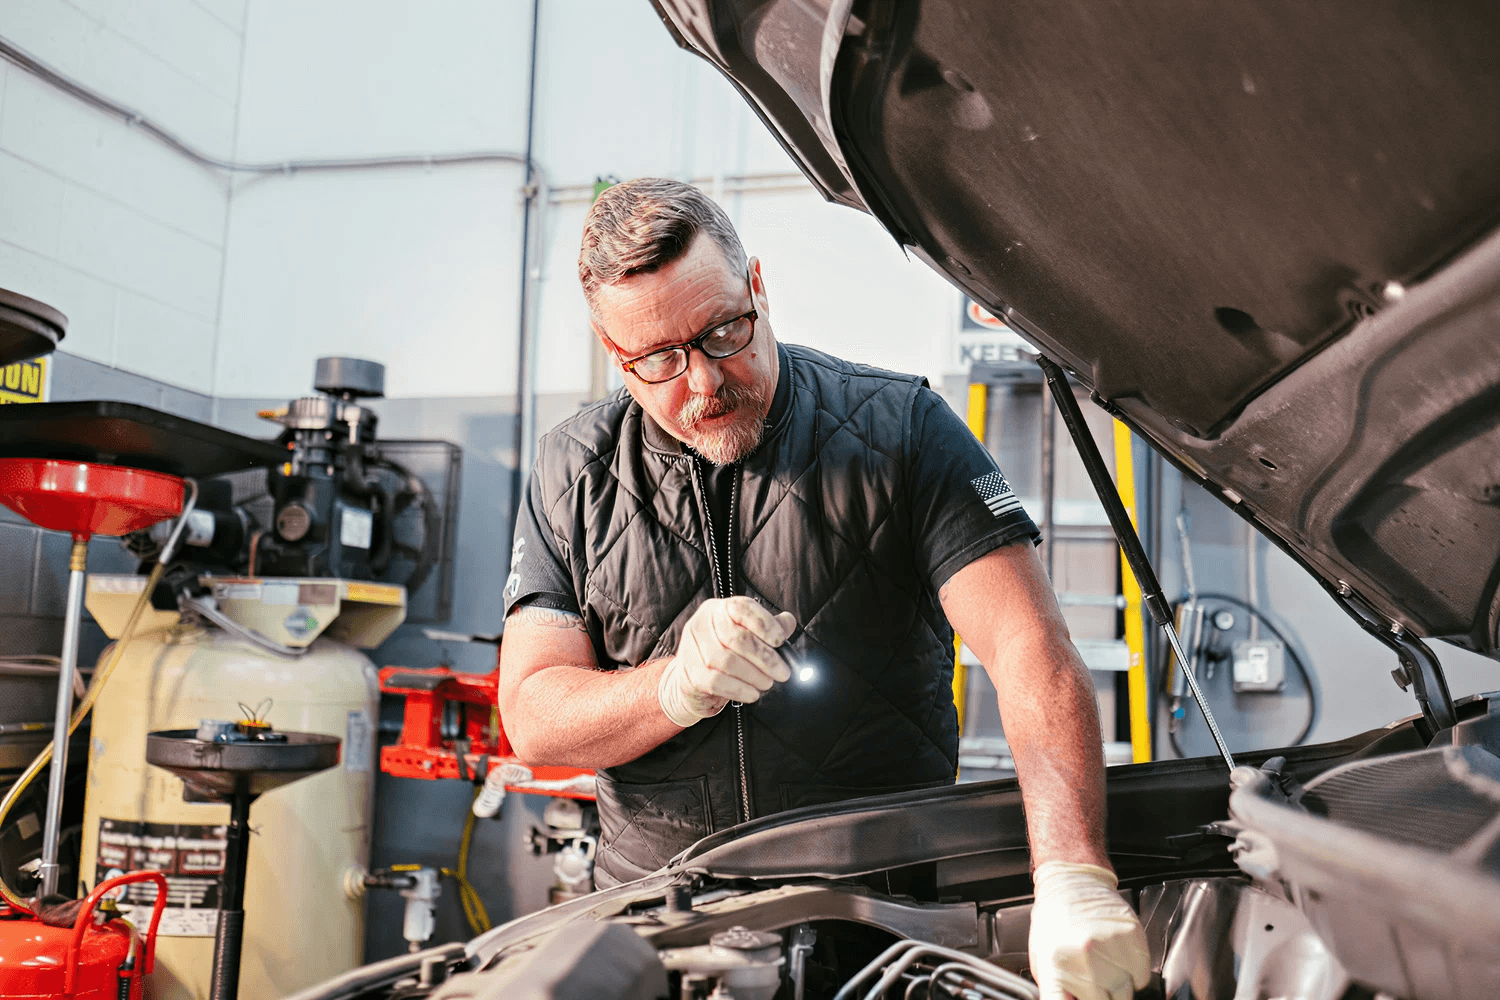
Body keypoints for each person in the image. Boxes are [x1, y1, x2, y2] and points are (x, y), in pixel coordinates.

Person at [498, 178, 1149, 1000]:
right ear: (609, 347)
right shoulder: (570, 471)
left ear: (758, 288)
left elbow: (1029, 652)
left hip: (883, 928)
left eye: (725, 331)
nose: (702, 384)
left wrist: (1071, 874)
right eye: (658, 360)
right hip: (661, 930)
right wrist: (673, 687)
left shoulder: (903, 429)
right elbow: (531, 713)